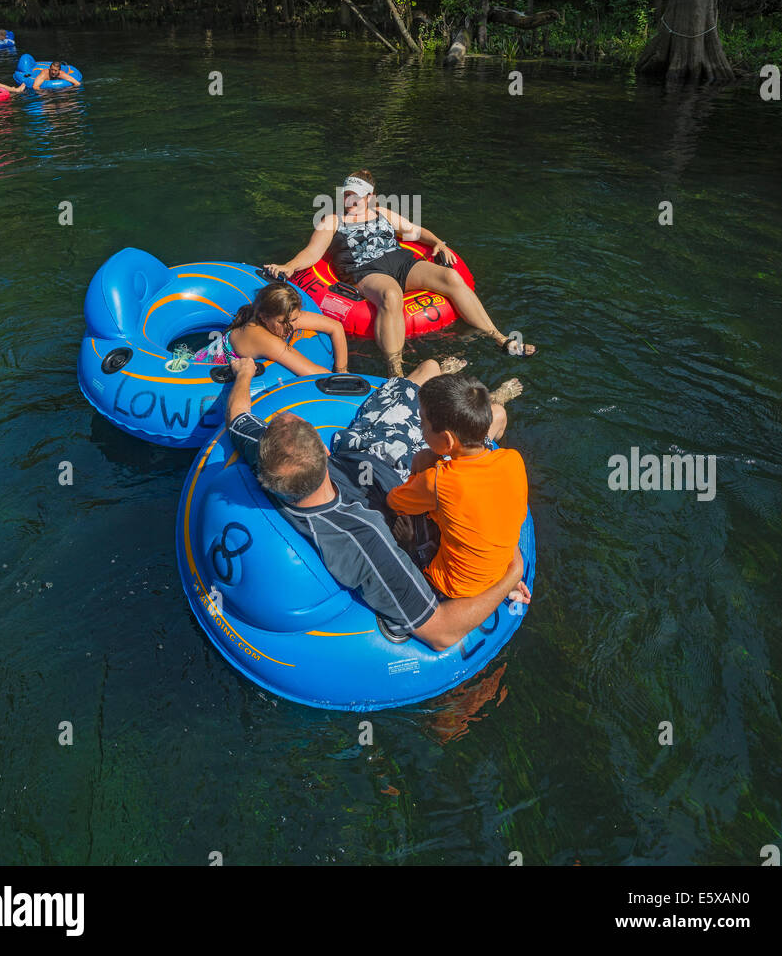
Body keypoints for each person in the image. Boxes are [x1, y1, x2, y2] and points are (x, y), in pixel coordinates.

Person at [226, 354, 530, 649]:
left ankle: (478, 397)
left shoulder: (272, 459)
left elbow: (239, 417)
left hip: (376, 458)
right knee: (485, 410)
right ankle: (490, 400)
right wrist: (510, 571)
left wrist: (243, 374)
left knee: (424, 375)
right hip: (394, 466)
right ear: (325, 449)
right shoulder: (364, 541)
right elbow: (442, 634)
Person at [265, 169, 536, 377]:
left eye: (356, 196)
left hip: (401, 262)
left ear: (370, 197)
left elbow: (416, 232)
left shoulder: (383, 213)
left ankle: (499, 338)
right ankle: (396, 371)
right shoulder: (332, 221)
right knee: (391, 294)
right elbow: (312, 253)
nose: (350, 200)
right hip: (364, 270)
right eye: (347, 194)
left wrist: (438, 242)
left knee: (452, 278)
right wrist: (289, 266)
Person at [387, 371, 529, 600]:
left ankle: (412, 548)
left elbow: (394, 502)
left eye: (423, 424)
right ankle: (504, 586)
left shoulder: (438, 481)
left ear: (447, 440)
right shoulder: (513, 459)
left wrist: (422, 466)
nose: (421, 431)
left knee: (401, 516)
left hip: (452, 586)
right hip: (499, 572)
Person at [193, 279, 348, 377]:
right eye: (283, 322)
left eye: (294, 320)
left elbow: (336, 327)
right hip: (198, 371)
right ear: (263, 317)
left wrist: (342, 370)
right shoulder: (261, 337)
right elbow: (314, 374)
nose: (290, 327)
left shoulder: (282, 316)